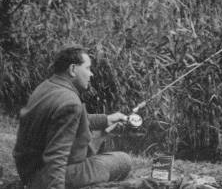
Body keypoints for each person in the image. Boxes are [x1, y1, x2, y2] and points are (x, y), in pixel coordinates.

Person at [13, 46, 133, 189]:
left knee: (100, 148)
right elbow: (56, 156)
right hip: (45, 177)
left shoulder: (48, 86)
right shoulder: (70, 102)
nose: (91, 74)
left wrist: (106, 120)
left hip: (28, 170)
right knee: (124, 160)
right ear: (72, 69)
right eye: (88, 68)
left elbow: (74, 120)